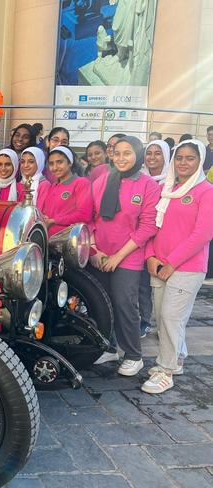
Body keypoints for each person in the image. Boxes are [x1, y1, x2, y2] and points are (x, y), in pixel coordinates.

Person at [142, 140, 213, 393]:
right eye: (179, 157)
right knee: (163, 318)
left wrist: (172, 263)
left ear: (200, 161)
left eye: (190, 158)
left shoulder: (207, 191)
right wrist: (150, 256)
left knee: (172, 317)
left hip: (187, 267)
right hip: (159, 265)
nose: (183, 162)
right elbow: (152, 226)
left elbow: (202, 234)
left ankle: (166, 370)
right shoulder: (167, 188)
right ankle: (177, 357)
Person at [90, 136, 161, 375]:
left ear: (137, 155)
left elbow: (148, 227)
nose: (121, 158)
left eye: (127, 153)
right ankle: (107, 347)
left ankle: (133, 354)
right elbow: (90, 217)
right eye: (117, 153)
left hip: (128, 256)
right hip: (100, 253)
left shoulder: (147, 185)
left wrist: (118, 257)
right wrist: (94, 250)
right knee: (101, 303)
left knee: (124, 304)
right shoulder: (101, 180)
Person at [137, 139, 171, 338]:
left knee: (163, 287)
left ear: (166, 156)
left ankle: (165, 325)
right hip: (142, 239)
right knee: (142, 284)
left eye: (158, 153)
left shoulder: (173, 182)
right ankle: (144, 320)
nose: (152, 157)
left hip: (164, 242)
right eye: (149, 153)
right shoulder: (139, 178)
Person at [39, 146, 93, 236]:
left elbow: (84, 215)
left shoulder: (81, 183)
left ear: (70, 163)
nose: (55, 167)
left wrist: (54, 220)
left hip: (70, 240)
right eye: (51, 164)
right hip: (50, 239)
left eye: (60, 162)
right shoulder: (53, 186)